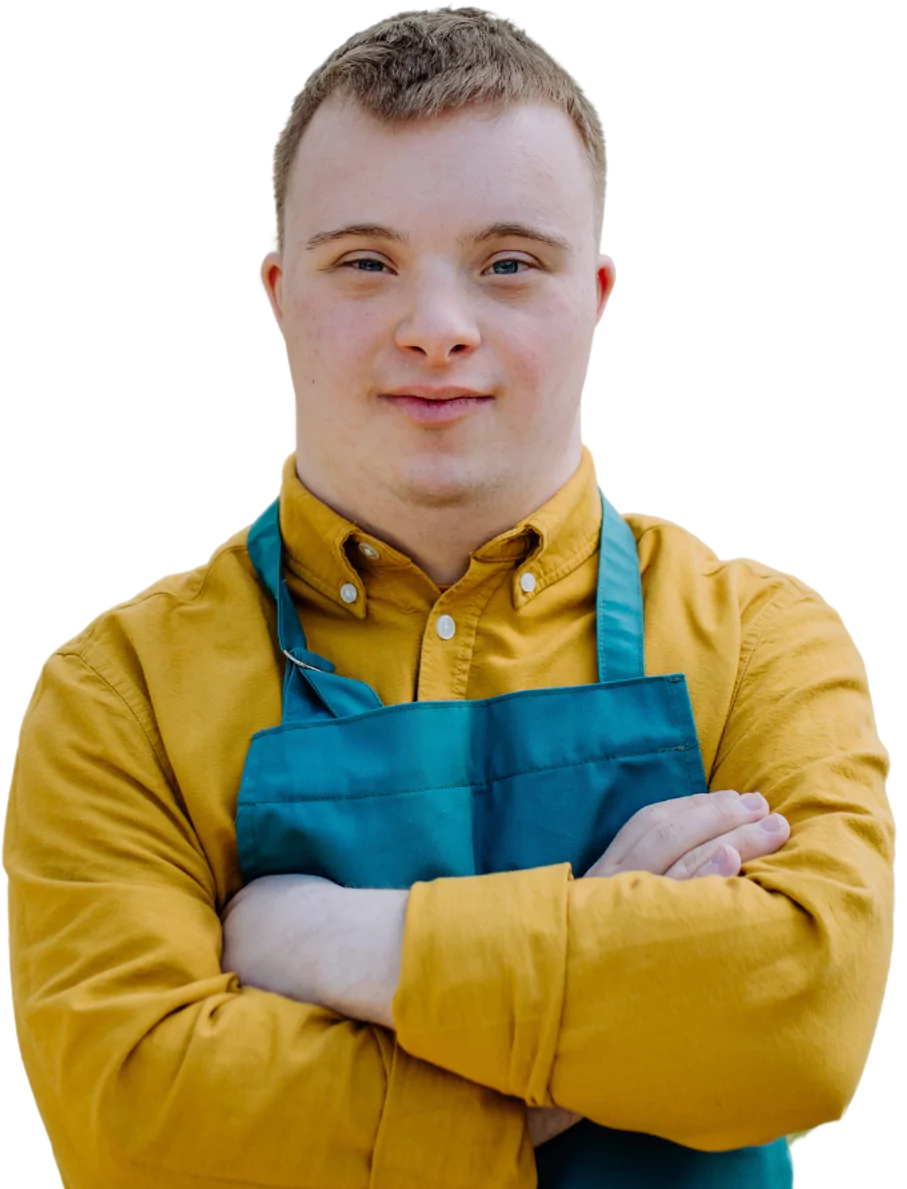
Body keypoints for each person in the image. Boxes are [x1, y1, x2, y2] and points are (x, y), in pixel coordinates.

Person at [3, 9, 894, 1189]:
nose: (436, 330)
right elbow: (140, 1127)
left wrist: (334, 943)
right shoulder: (117, 698)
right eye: (365, 262)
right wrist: (613, 990)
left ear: (598, 295)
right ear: (278, 291)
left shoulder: (767, 641)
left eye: (508, 263)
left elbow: (800, 1026)